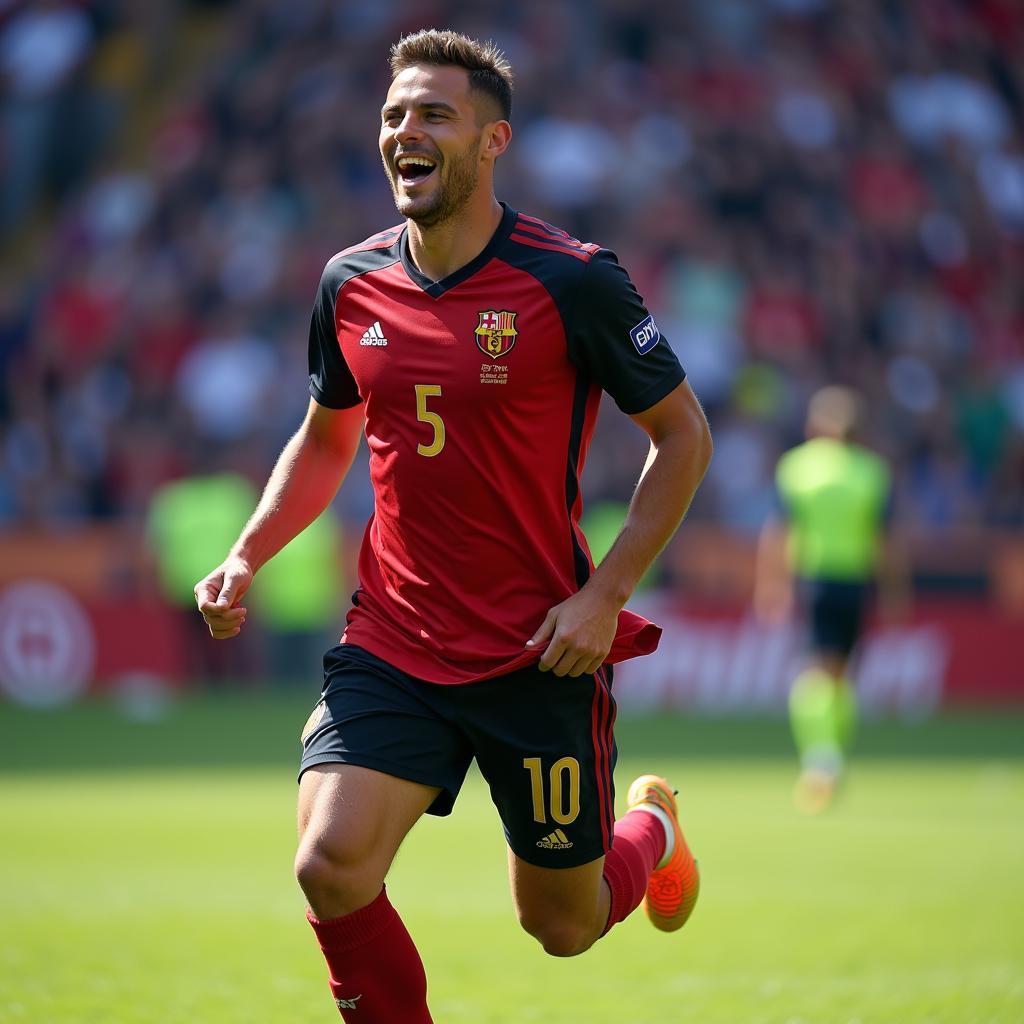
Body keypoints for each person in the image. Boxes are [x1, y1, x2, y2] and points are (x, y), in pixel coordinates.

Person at [194, 29, 712, 1022]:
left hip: (538, 652)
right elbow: (323, 440)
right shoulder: (350, 282)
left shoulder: (573, 280)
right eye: (394, 114)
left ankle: (647, 832)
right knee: (329, 862)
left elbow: (682, 437)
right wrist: (246, 552)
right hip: (396, 635)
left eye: (434, 113)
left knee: (560, 924)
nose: (407, 130)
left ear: (491, 141)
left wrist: (602, 598)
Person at [756, 385, 903, 813]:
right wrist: (896, 594)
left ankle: (820, 760)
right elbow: (887, 541)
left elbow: (778, 532)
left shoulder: (797, 469)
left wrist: (772, 586)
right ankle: (831, 760)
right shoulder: (873, 472)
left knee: (815, 673)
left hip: (814, 580)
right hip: (856, 582)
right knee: (841, 676)